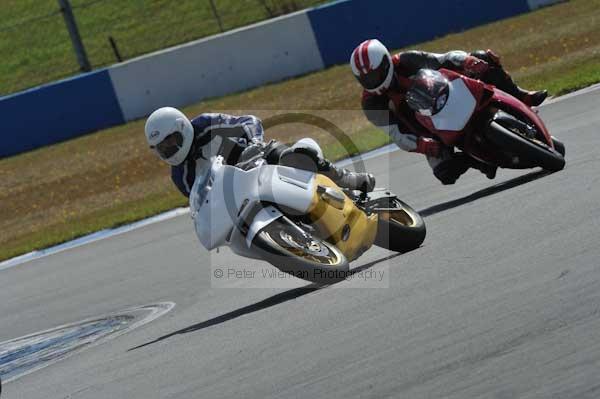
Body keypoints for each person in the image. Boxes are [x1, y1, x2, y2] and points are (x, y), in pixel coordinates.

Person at [350, 39, 548, 185]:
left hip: (449, 96)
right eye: (366, 79)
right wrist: (423, 145)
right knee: (444, 173)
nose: (373, 82)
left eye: (375, 74)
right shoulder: (371, 103)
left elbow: (443, 59)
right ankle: (479, 161)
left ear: (386, 62)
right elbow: (396, 133)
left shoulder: (406, 60)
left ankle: (521, 96)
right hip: (427, 131)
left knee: (481, 57)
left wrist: (467, 61)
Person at [144, 107, 375, 197]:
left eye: (171, 142)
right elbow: (198, 200)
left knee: (295, 156)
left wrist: (254, 141)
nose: (169, 150)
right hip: (236, 193)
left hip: (257, 158)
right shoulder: (180, 175)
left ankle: (348, 179)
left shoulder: (205, 124)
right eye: (162, 148)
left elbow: (248, 121)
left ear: (182, 128)